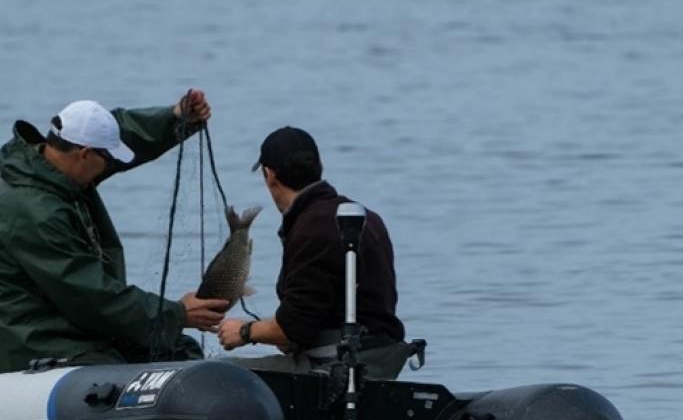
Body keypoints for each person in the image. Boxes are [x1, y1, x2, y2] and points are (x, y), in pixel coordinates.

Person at [0, 90, 229, 373]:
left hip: (74, 323)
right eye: (107, 161)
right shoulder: (36, 213)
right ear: (84, 155)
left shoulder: (52, 165)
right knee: (112, 368)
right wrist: (176, 313)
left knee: (179, 349)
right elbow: (90, 295)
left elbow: (121, 134)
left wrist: (175, 118)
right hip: (34, 338)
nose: (110, 166)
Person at [217, 126, 415, 380]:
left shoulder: (311, 227)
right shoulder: (366, 216)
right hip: (380, 361)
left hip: (336, 367)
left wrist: (245, 331)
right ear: (318, 167)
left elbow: (293, 328)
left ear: (269, 175)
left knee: (219, 372)